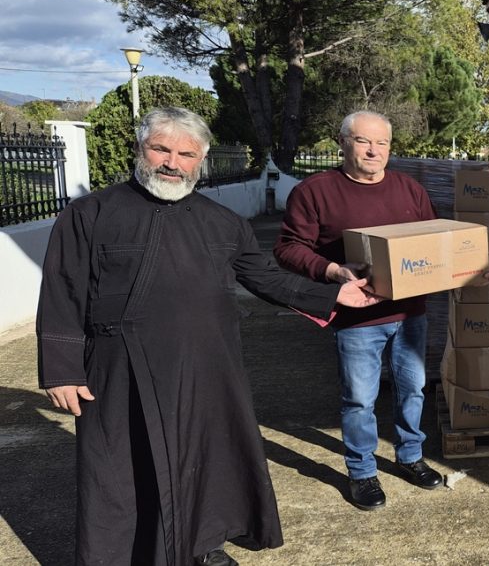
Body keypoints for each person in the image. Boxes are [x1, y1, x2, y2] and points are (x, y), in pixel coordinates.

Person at [36, 107, 381, 566]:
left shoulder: (223, 222)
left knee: (207, 461)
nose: (171, 162)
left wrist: (336, 295)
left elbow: (266, 278)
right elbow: (63, 288)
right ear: (141, 149)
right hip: (121, 370)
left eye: (186, 154)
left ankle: (202, 545)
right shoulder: (90, 214)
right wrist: (62, 370)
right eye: (161, 149)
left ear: (201, 161)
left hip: (207, 364)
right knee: (121, 469)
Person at [274, 110, 443, 511]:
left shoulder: (409, 190)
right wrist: (332, 270)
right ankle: (362, 471)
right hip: (358, 318)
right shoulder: (315, 191)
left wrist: (470, 267)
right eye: (364, 141)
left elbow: (435, 241)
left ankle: (410, 456)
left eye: (382, 143)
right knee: (359, 399)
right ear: (343, 142)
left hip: (410, 314)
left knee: (413, 389)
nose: (374, 150)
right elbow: (287, 248)